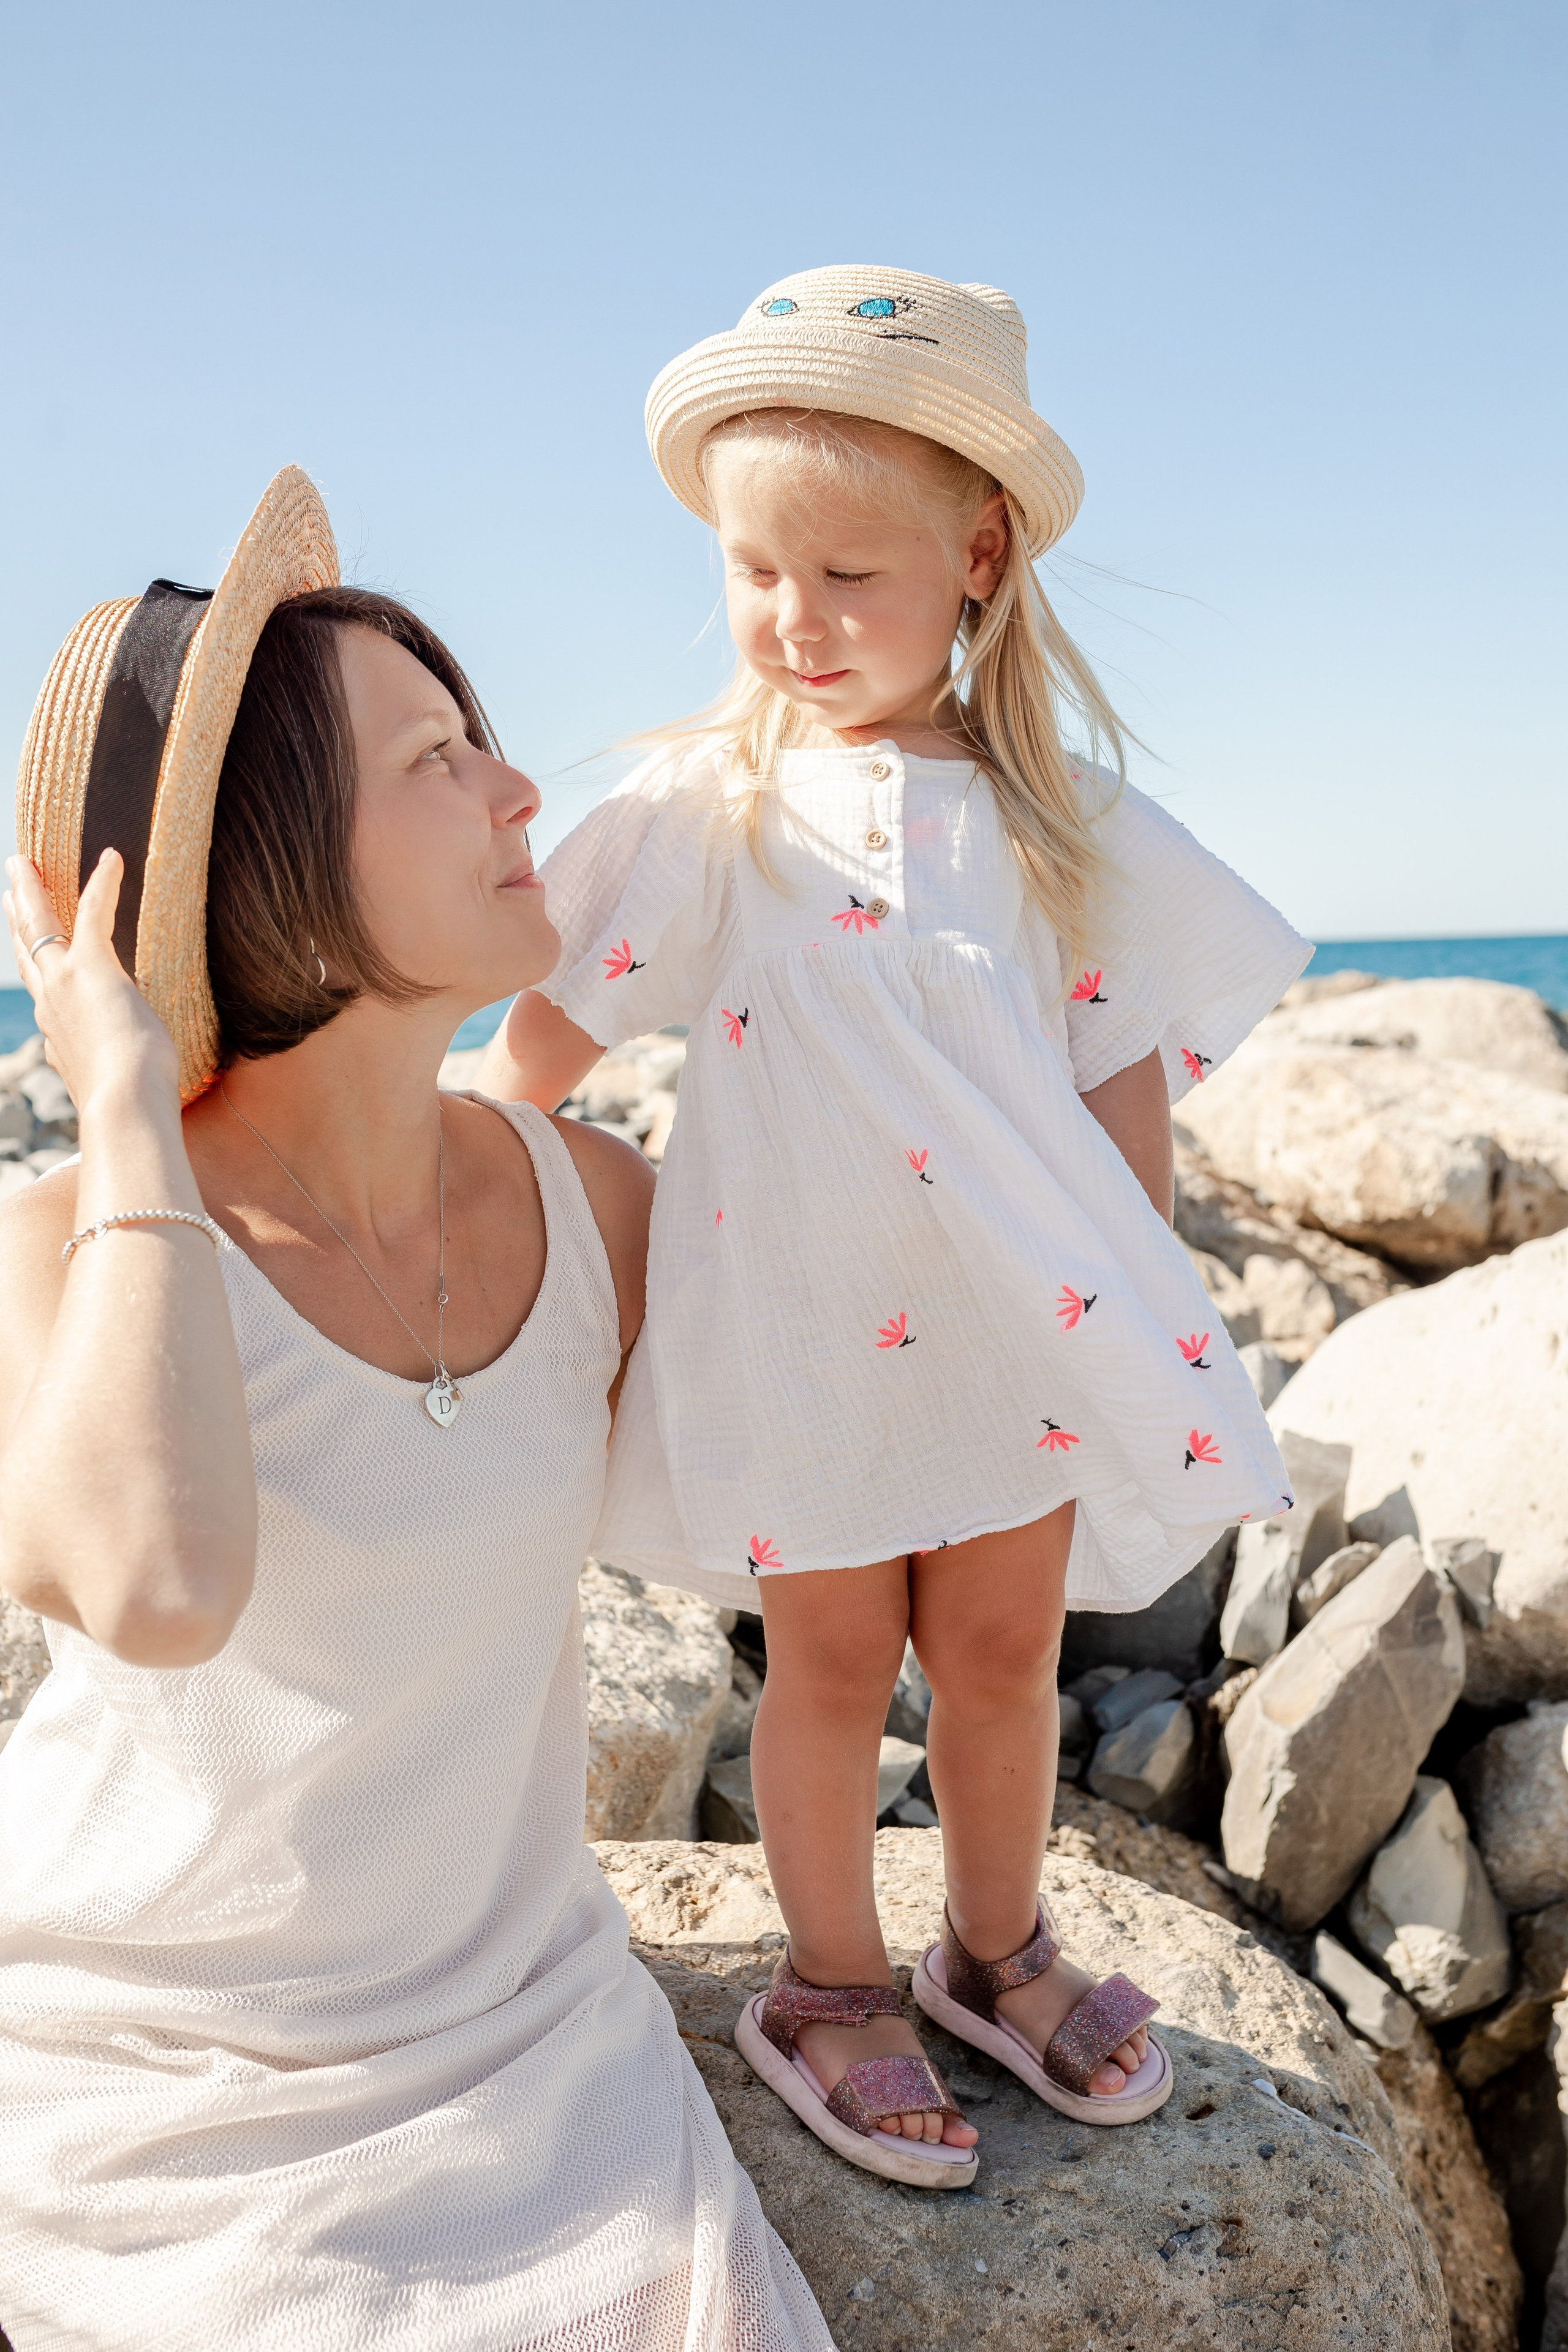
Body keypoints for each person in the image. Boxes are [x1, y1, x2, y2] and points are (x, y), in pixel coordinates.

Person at [478, 266, 1311, 2185]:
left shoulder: (1055, 822)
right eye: (759, 573)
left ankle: (995, 1949)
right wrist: (450, 1178)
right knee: (837, 1655)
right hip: (795, 1318)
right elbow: (553, 1021)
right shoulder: (715, 807)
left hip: (1012, 1318)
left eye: (848, 572)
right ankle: (829, 1982)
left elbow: (1116, 1074)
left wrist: (1146, 1287)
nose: (795, 618)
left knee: (1006, 1650)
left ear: (978, 553)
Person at [0, 470, 834, 2350]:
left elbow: (856, 1477)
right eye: (440, 759)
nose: (521, 795)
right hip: (152, 2081)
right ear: (272, 853)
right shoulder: (69, 1245)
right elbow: (150, 1587)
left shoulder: (592, 1203)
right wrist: (120, 1099)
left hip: (525, 2046)